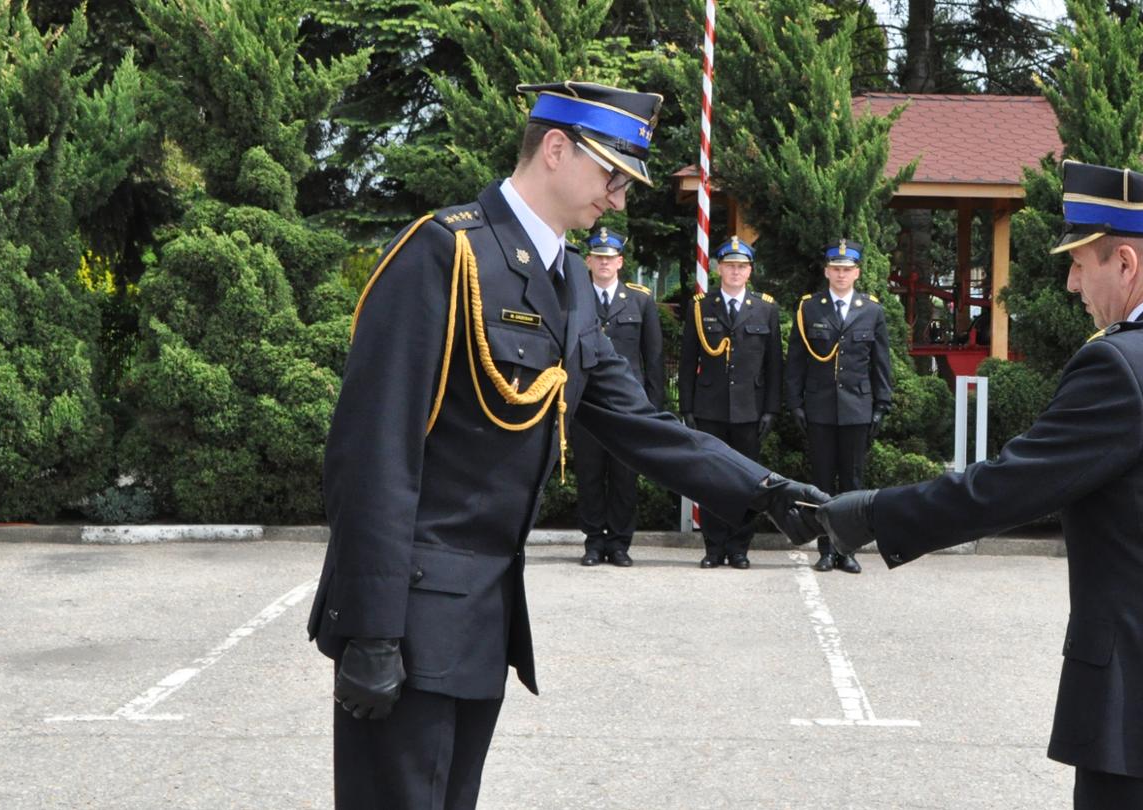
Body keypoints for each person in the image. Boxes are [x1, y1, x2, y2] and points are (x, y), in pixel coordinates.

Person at [308, 79, 826, 810]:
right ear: (556, 148)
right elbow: (372, 453)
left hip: (484, 618)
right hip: (407, 621)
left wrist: (766, 490)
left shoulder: (569, 283)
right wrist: (370, 629)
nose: (617, 198)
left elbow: (639, 423)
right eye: (611, 175)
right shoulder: (443, 253)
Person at [817, 160, 1143, 810]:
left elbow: (1012, 484)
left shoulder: (1122, 364)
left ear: (1124, 263)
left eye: (1079, 264)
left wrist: (872, 512)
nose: (1070, 282)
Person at [786, 239, 892, 574]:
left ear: (857, 272)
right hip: (819, 407)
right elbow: (796, 361)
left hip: (857, 406)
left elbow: (881, 362)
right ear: (827, 271)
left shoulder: (871, 310)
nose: (841, 275)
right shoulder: (810, 308)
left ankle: (848, 550)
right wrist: (796, 404)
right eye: (836, 269)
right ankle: (825, 550)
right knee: (820, 483)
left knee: (852, 482)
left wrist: (881, 404)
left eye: (847, 270)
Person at [680, 236, 783, 569]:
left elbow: (773, 366)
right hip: (709, 409)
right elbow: (686, 362)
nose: (735, 272)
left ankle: (739, 547)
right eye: (729, 266)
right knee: (710, 480)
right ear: (719, 269)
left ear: (749, 271)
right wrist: (687, 408)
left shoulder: (766, 308)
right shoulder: (701, 306)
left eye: (741, 266)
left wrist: (770, 409)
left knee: (747, 482)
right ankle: (713, 547)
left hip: (749, 410)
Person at [574, 227, 662, 568]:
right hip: (586, 404)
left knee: (625, 477)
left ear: (620, 262)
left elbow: (652, 358)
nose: (604, 263)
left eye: (610, 258)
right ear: (589, 261)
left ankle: (621, 543)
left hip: (628, 407)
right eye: (598, 257)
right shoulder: (575, 297)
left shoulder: (640, 300)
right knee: (590, 475)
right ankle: (594, 541)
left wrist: (653, 409)